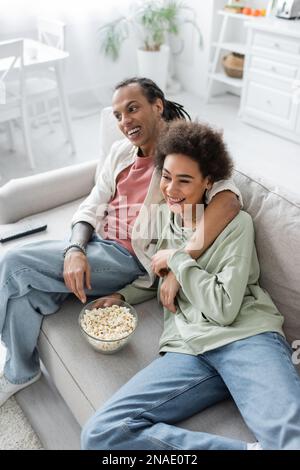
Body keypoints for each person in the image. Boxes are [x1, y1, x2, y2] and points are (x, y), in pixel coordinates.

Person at [0, 78, 241, 407]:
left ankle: (19, 370)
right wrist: (75, 249)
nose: (124, 121)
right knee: (27, 293)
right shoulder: (120, 152)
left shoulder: (183, 154)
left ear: (157, 106)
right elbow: (91, 204)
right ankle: (21, 372)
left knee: (14, 265)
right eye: (117, 115)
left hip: (127, 259)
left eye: (132, 108)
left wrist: (177, 260)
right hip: (97, 243)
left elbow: (228, 201)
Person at [81, 121, 300, 451]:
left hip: (246, 338)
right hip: (188, 349)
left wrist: (179, 261)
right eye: (167, 177)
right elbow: (157, 276)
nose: (170, 189)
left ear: (208, 181)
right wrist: (122, 296)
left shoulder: (236, 225)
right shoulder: (167, 219)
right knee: (100, 433)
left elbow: (224, 310)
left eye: (185, 180)